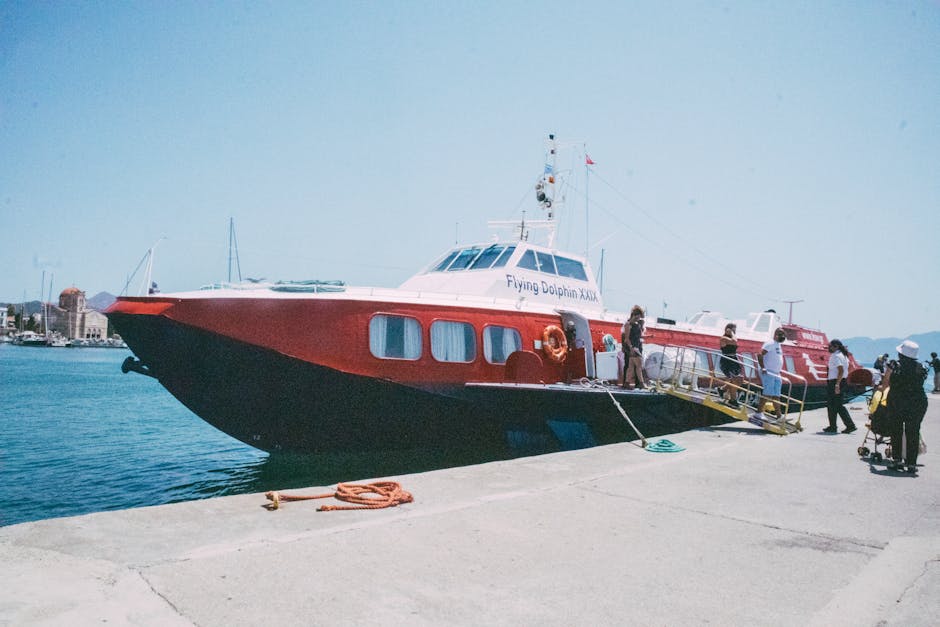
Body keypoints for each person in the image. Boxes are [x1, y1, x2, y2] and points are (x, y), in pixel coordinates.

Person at [880, 340, 929, 473]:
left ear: (901, 354)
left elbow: (885, 383)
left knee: (896, 430)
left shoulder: (894, 364)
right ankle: (911, 464)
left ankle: (896, 460)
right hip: (918, 402)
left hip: (898, 400)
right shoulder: (922, 366)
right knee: (913, 431)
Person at [823, 339, 856, 434]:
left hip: (835, 382)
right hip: (842, 381)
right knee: (834, 405)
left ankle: (849, 425)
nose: (829, 347)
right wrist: (843, 379)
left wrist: (837, 384)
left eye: (831, 346)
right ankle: (833, 426)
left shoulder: (835, 356)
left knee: (835, 405)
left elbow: (840, 370)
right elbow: (848, 368)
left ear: (836, 346)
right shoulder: (844, 356)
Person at [756, 327, 786, 421]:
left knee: (776, 395)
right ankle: (759, 412)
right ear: (776, 334)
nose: (783, 336)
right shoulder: (770, 343)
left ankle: (779, 415)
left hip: (776, 373)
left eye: (784, 334)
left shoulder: (778, 345)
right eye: (781, 334)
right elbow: (760, 354)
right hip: (768, 372)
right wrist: (763, 367)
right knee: (768, 393)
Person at [717, 323, 742, 408]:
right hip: (727, 361)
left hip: (734, 360)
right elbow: (734, 342)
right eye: (733, 329)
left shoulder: (732, 337)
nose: (735, 332)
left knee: (738, 380)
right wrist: (731, 333)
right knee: (734, 380)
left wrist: (732, 333)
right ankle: (733, 400)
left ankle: (722, 389)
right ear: (728, 329)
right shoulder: (723, 338)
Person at [622, 305, 646, 389]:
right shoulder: (628, 325)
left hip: (635, 347)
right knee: (639, 366)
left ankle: (627, 383)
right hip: (633, 347)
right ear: (634, 315)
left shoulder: (636, 325)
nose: (638, 319)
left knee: (631, 367)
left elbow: (638, 337)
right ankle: (642, 383)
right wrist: (631, 348)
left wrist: (649, 337)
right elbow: (627, 339)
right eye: (637, 317)